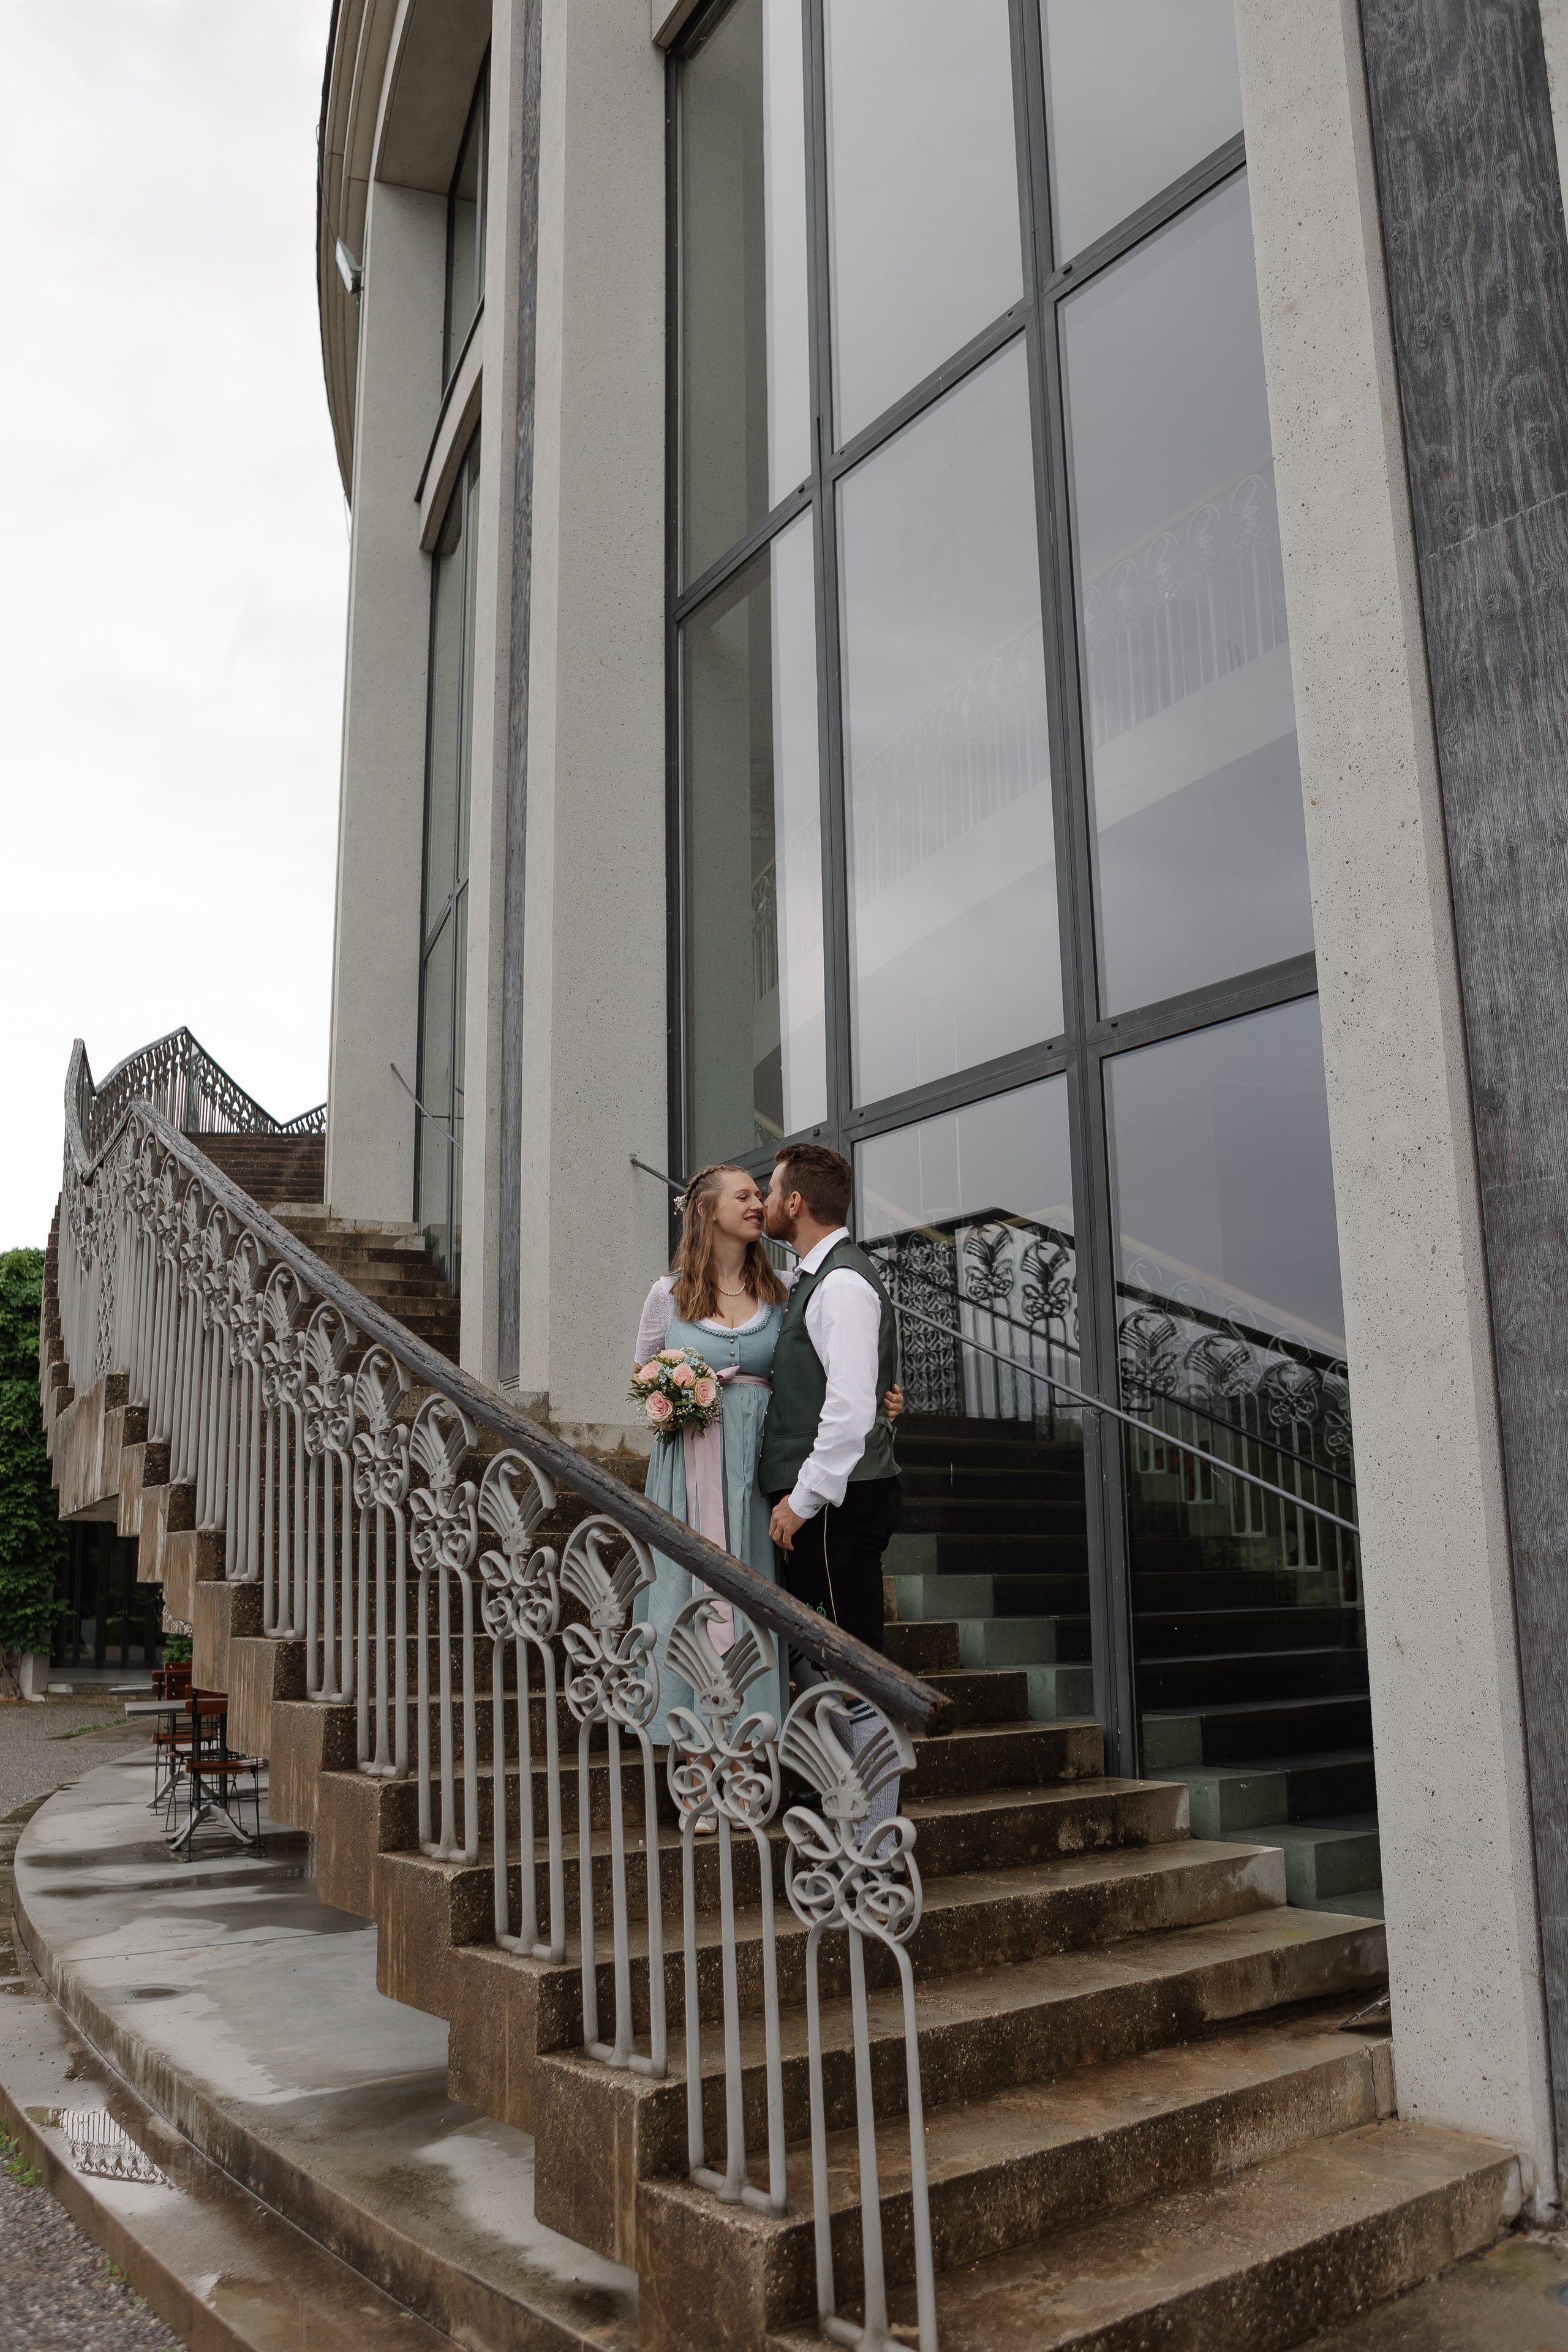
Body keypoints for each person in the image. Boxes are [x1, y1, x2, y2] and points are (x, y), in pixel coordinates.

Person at [631, 1161, 904, 1766]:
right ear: (705, 1211)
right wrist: (675, 1394)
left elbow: (831, 1364)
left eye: (764, 1193)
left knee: (759, 1605)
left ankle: (750, 1754)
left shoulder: (787, 1288)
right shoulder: (666, 1294)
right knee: (688, 1598)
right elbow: (642, 1374)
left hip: (762, 1474)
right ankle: (697, 1763)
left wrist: (883, 1397)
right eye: (745, 1195)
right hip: (689, 1474)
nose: (758, 1203)